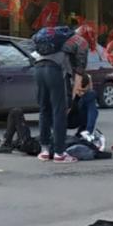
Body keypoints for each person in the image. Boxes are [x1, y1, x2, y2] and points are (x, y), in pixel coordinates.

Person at [33, 24, 89, 164]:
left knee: (44, 109)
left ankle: (44, 151)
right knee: (59, 111)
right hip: (55, 70)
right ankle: (59, 153)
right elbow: (80, 70)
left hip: (38, 69)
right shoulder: (81, 42)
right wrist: (75, 94)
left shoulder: (57, 36)